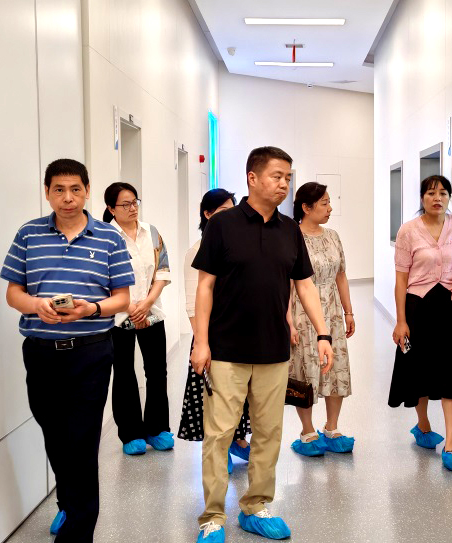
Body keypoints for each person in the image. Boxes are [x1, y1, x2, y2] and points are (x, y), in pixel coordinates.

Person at [190, 146, 334, 543]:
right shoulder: (223, 225)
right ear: (252, 178)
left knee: (269, 432)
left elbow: (304, 284)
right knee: (219, 435)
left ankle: (255, 506)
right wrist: (201, 342)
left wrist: (323, 333)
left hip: (273, 350)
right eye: (277, 176)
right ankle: (212, 516)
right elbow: (205, 286)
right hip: (226, 349)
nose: (284, 183)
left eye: (288, 177)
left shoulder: (289, 229)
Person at [0, 159, 133, 541]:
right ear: (47, 192)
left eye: (75, 189)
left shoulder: (108, 238)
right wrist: (36, 305)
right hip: (41, 352)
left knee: (83, 440)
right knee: (55, 435)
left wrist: (91, 309)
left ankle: (77, 530)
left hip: (90, 352)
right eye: (59, 189)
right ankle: (69, 503)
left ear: (87, 191)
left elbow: (122, 298)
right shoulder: (29, 234)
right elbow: (13, 293)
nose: (68, 197)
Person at [389, 174, 452, 472]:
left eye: (443, 193)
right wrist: (400, 321)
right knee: (420, 372)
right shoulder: (408, 231)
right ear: (422, 198)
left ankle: (451, 443)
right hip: (418, 308)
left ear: (449, 197)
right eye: (430, 193)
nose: (437, 198)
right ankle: (423, 425)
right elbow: (401, 280)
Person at [178, 188, 252, 473]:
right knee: (215, 398)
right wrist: (202, 342)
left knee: (239, 395)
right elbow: (192, 303)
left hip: (240, 334)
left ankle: (237, 441)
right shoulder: (197, 251)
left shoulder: (237, 243)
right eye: (222, 211)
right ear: (207, 214)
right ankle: (220, 451)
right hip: (211, 337)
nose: (230, 216)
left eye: (232, 209)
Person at [102, 182, 174, 456]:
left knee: (157, 372)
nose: (132, 208)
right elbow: (101, 279)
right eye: (125, 204)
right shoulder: (104, 237)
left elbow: (162, 272)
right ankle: (131, 433)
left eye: (135, 202)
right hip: (119, 316)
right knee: (123, 373)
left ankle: (157, 429)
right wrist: (131, 307)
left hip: (152, 313)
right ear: (111, 209)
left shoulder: (151, 232)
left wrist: (146, 304)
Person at [287, 182, 356, 457]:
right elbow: (286, 283)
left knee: (336, 368)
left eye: (329, 202)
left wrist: (348, 311)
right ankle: (307, 431)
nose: (330, 208)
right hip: (302, 312)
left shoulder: (333, 236)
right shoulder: (292, 237)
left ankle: (332, 427)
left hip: (333, 313)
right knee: (305, 371)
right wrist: (288, 321)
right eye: (324, 203)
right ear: (306, 207)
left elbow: (341, 275)